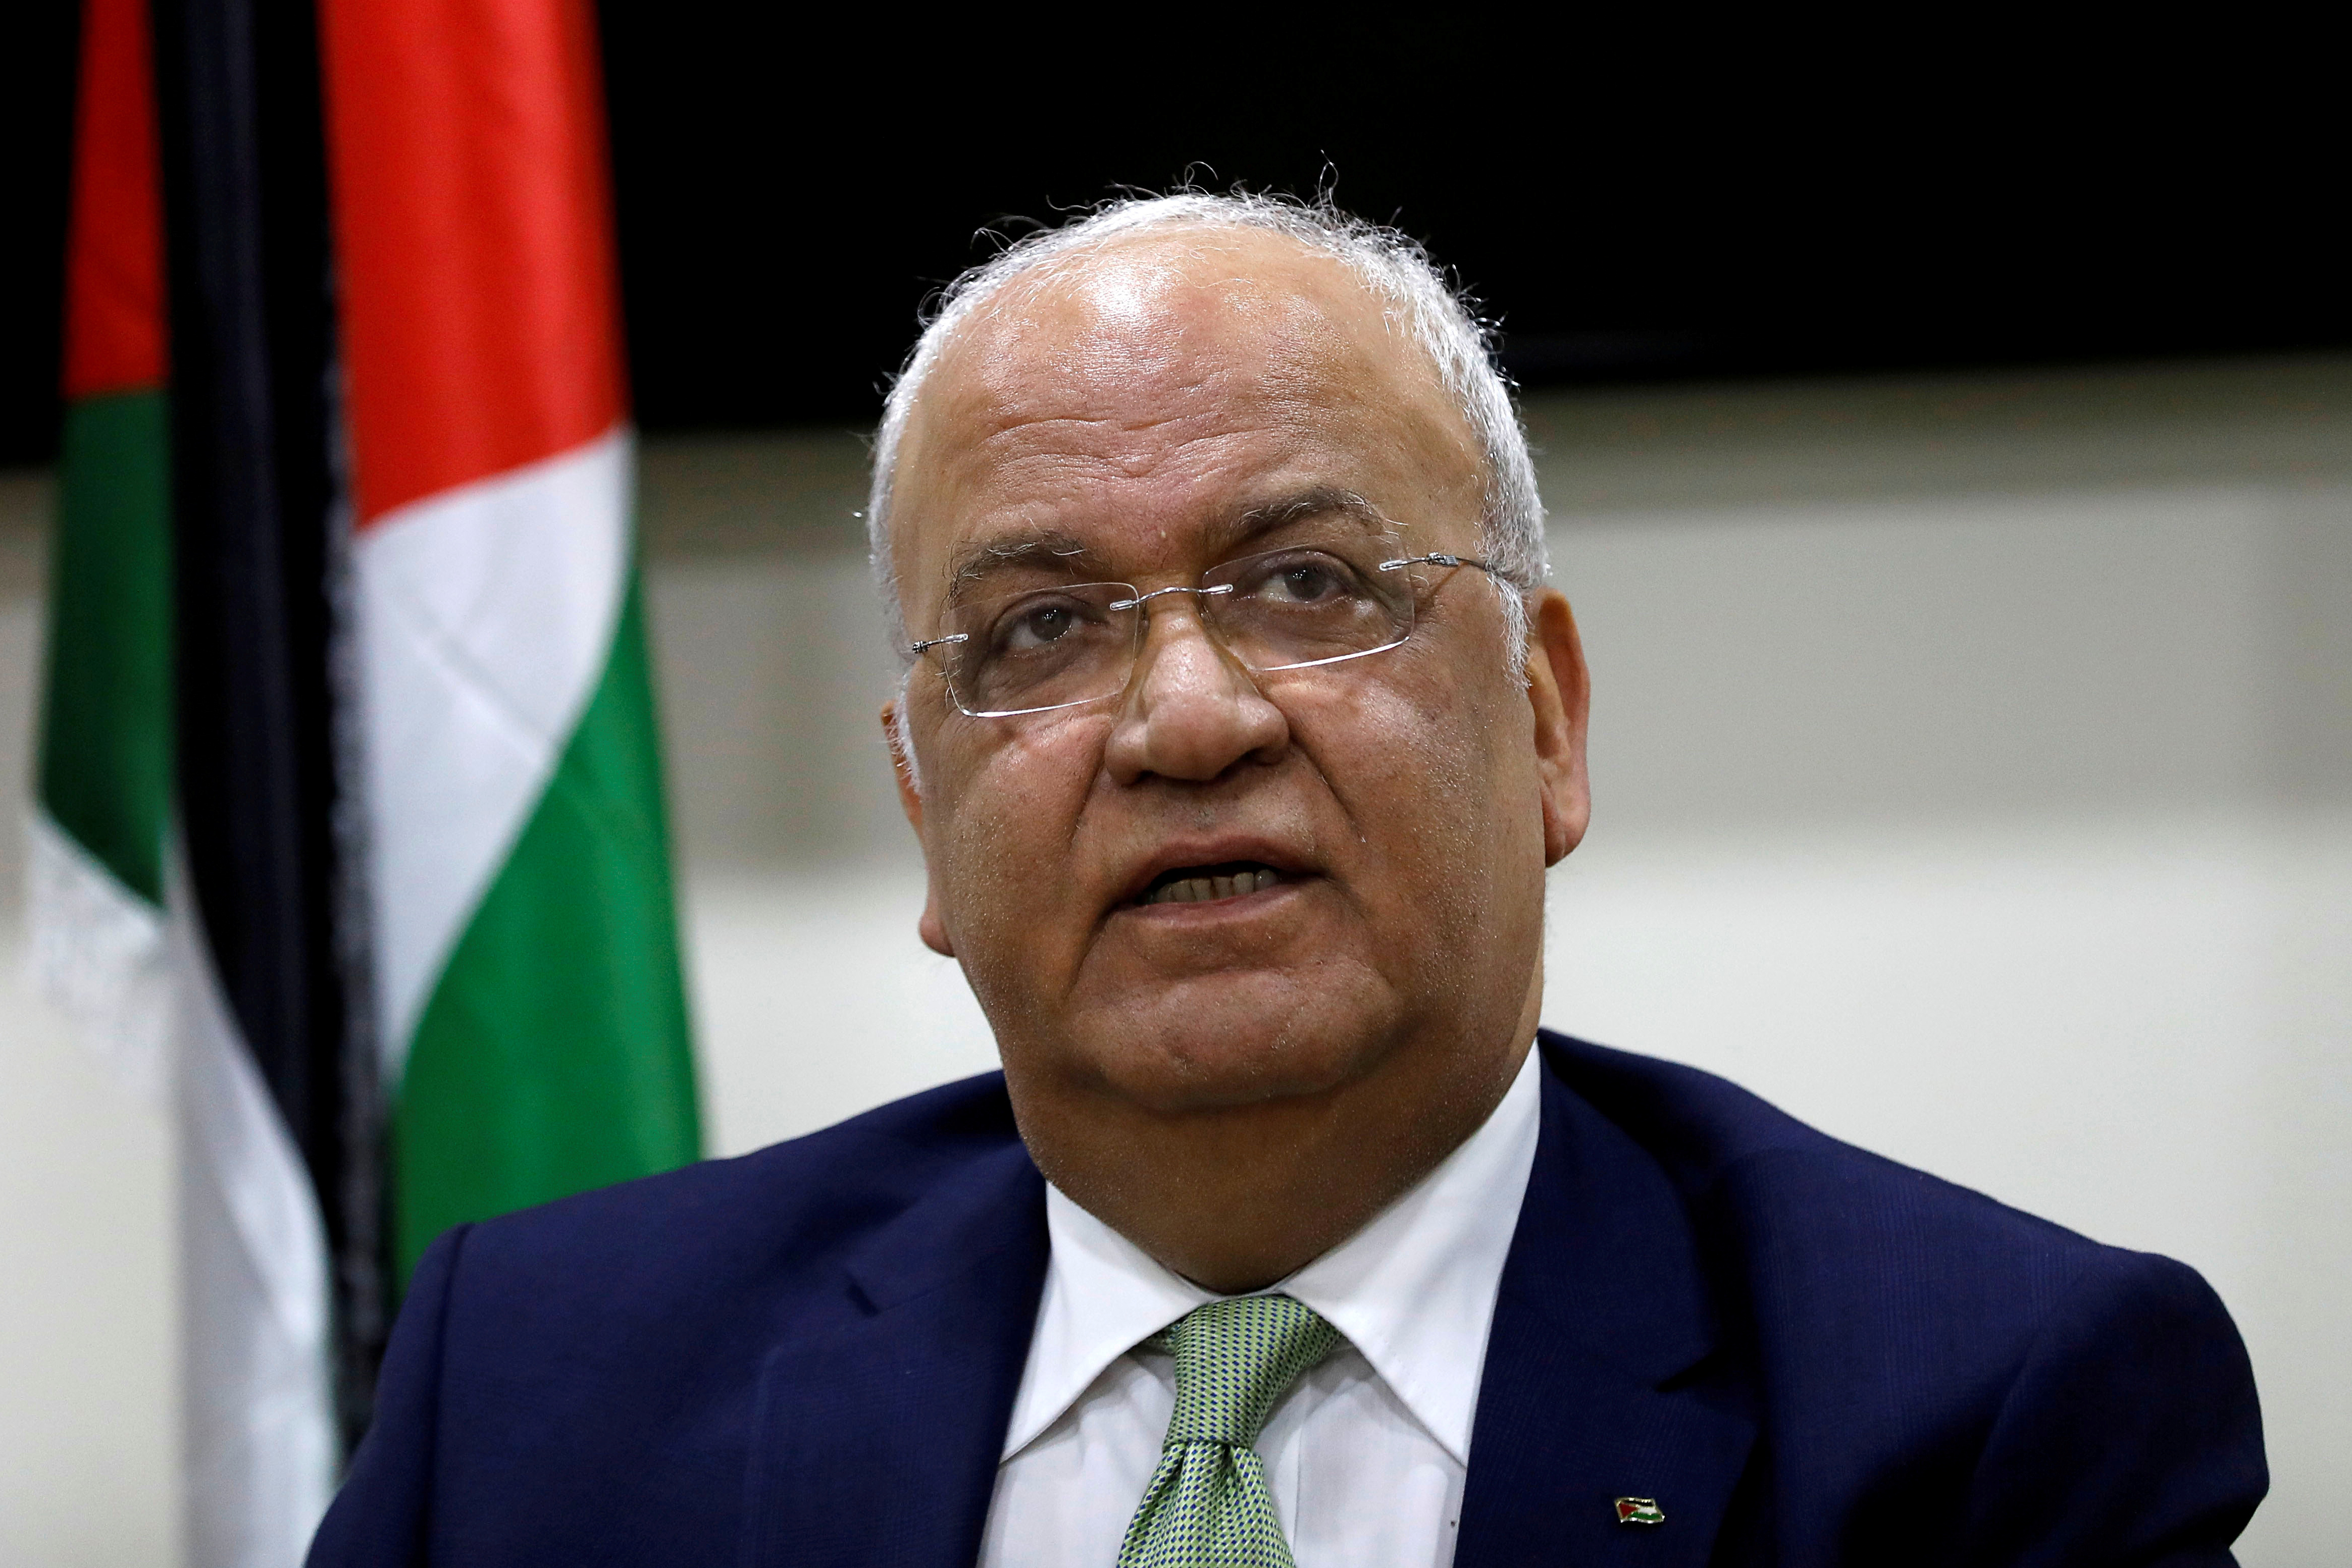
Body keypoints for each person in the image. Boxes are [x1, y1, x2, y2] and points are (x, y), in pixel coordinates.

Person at [307, 194, 2265, 1567]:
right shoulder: (540, 1394)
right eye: (1042, 628)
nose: (1185, 719)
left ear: (1549, 723)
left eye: (1307, 585)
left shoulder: (1988, 1420)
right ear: (925, 810)